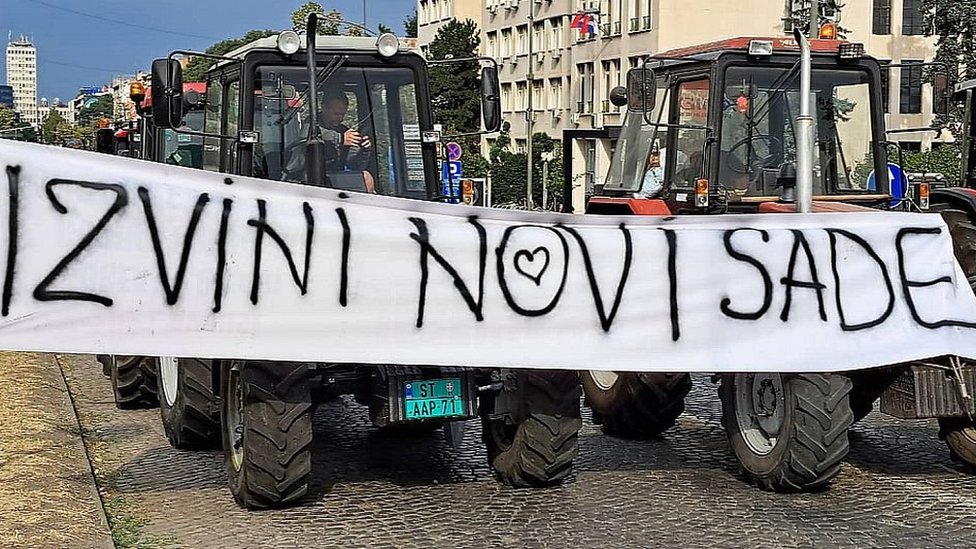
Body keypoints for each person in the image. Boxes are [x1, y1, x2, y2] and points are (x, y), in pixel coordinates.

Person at [318, 91, 376, 192]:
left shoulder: (343, 131)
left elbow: (354, 165)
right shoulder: (311, 124)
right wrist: (340, 139)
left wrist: (363, 150)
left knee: (366, 177)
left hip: (335, 178)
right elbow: (309, 134)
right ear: (323, 108)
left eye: (342, 114)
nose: (340, 118)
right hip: (308, 177)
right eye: (336, 114)